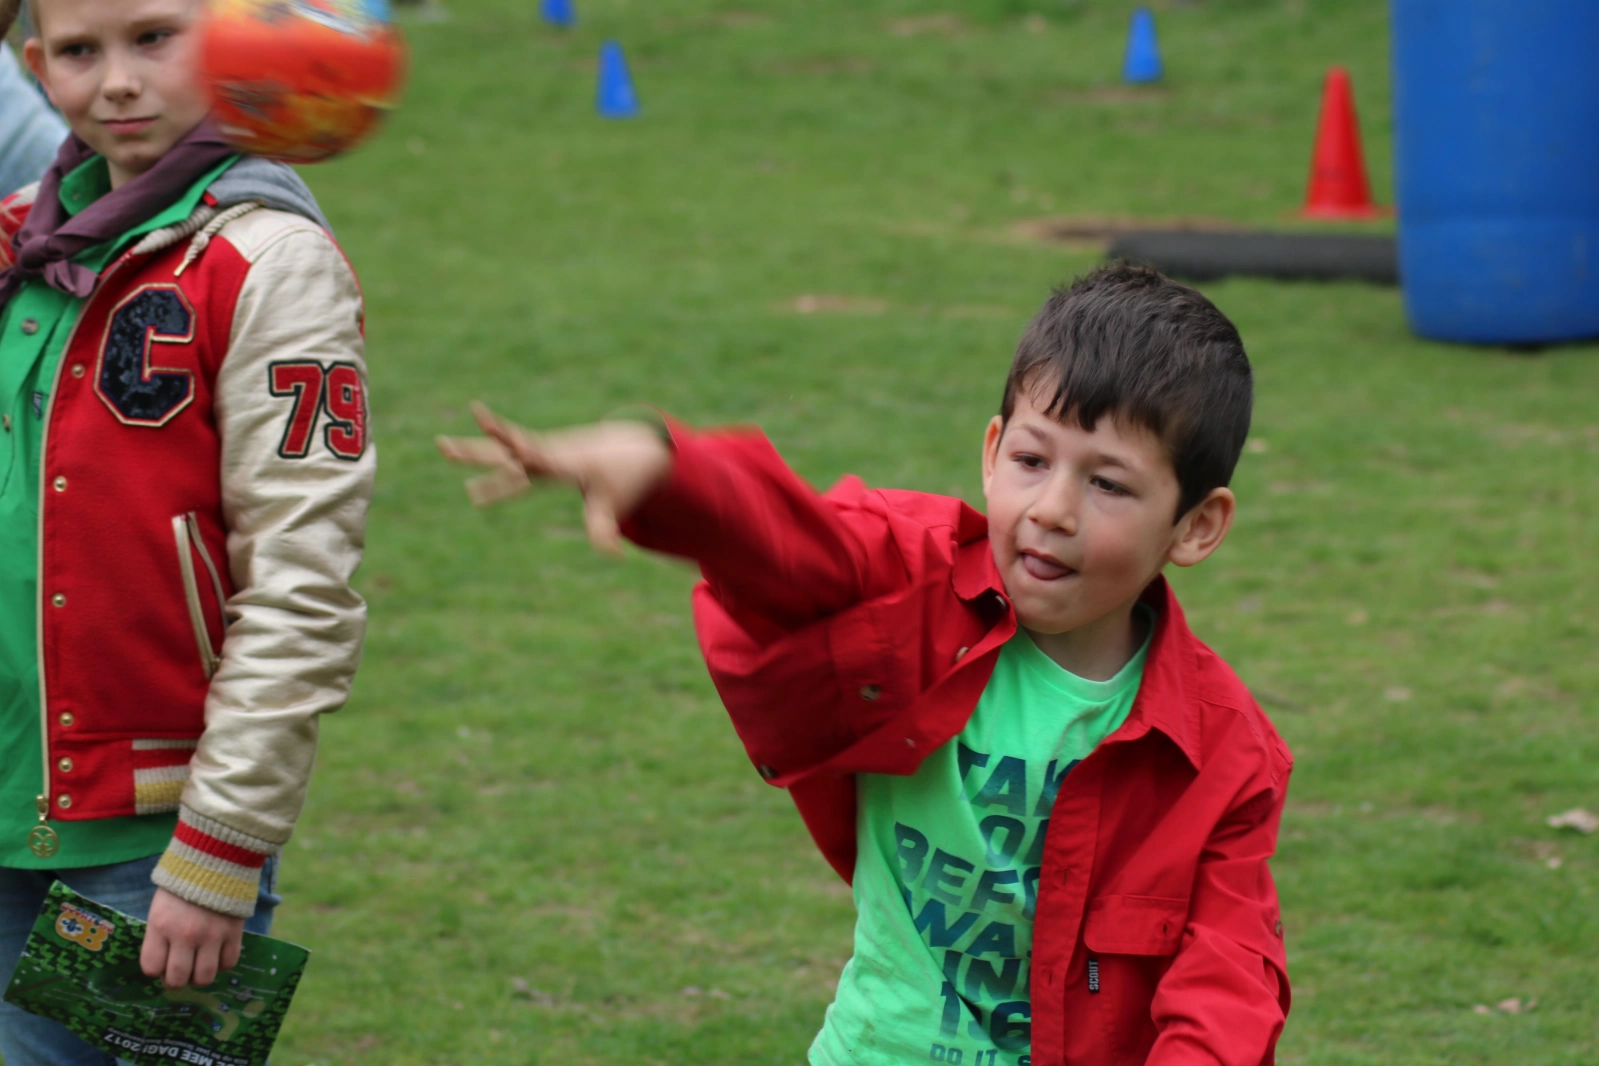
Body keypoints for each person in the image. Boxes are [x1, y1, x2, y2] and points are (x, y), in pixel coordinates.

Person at [440, 263, 1294, 1066]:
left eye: (1107, 484)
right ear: (992, 451)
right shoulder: (912, 578)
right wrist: (664, 472)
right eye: (1032, 461)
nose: (1052, 510)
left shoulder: (1225, 753)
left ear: (1195, 526)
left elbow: (1228, 973)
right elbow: (793, 542)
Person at [0, 0, 374, 1059]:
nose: (116, 81)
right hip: (8, 802)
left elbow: (303, 581)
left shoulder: (269, 262)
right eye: (79, 51)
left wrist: (221, 848)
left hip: (159, 835)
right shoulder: (22, 242)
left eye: (153, 38)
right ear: (35, 66)